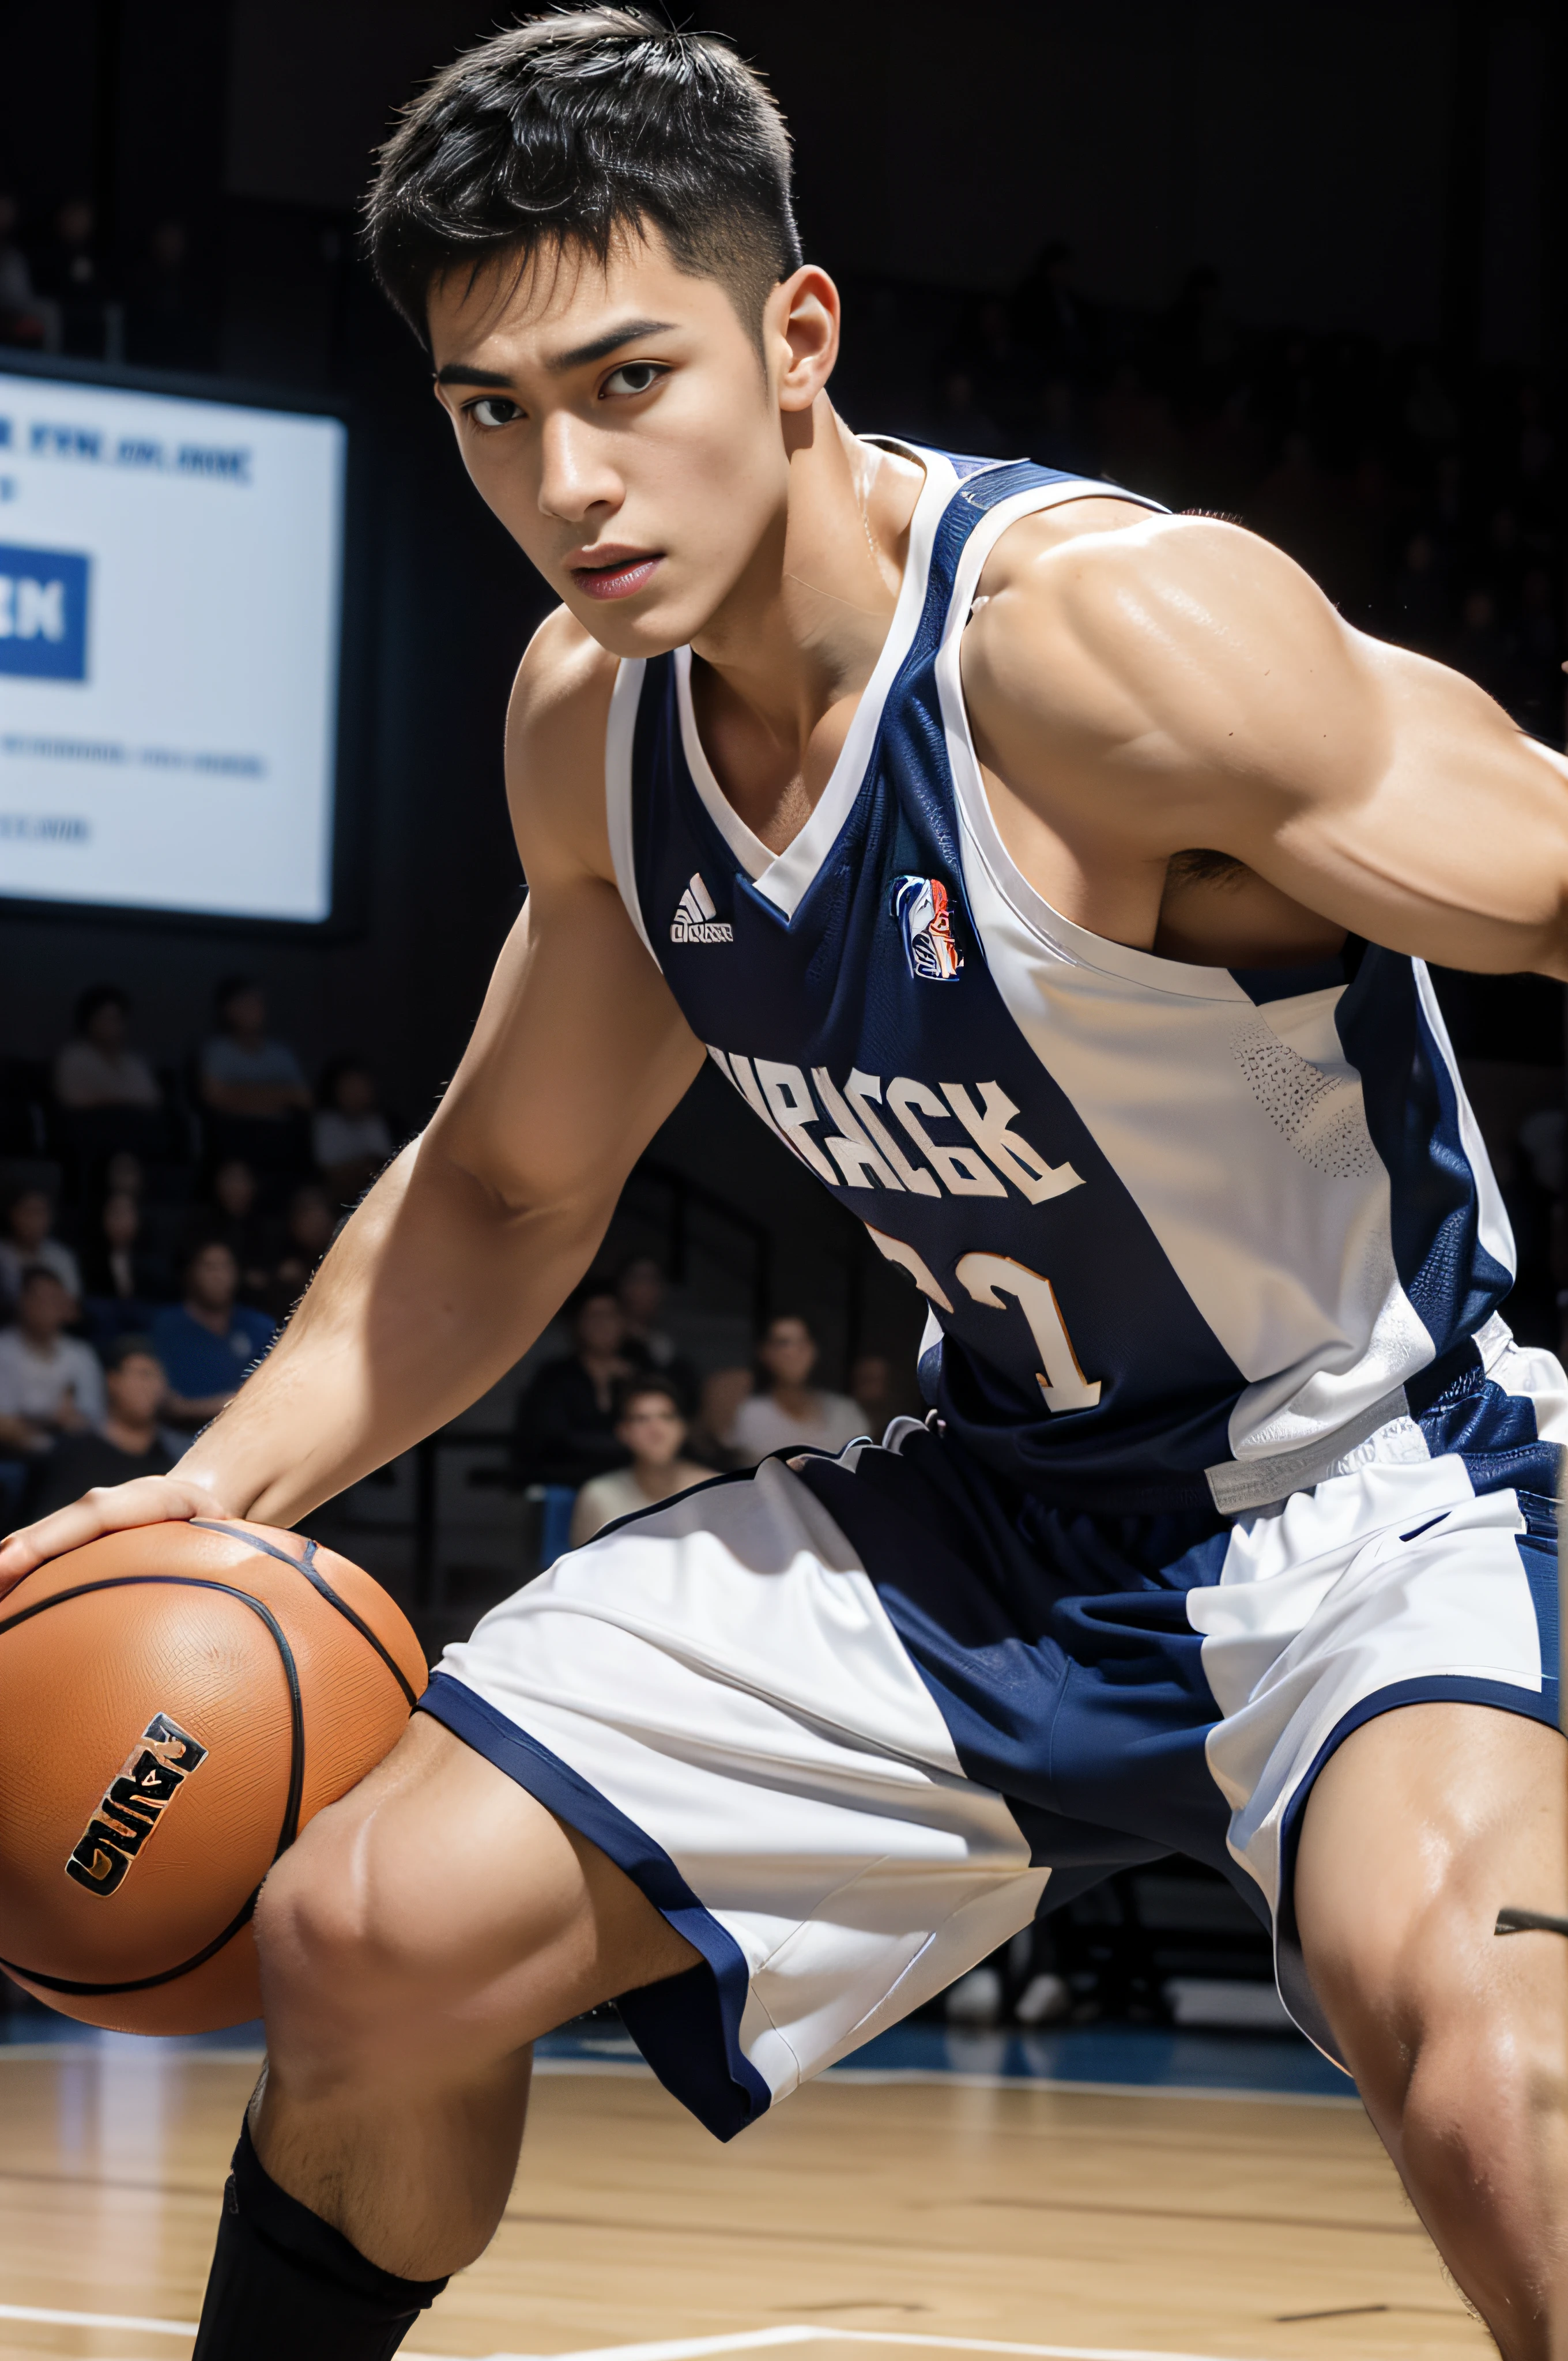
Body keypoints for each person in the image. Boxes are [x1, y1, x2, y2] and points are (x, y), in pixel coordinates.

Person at [9, 16, 1568, 2358]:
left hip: (1374, 1499)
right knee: (369, 1927)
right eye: (488, 413)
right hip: (994, 1514)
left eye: (626, 378)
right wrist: (211, 1495)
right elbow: (509, 1195)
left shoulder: (1108, 645)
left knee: (1493, 2068)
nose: (563, 475)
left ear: (796, 335)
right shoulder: (594, 722)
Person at [26, 1334, 172, 1516]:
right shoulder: (75, 1455)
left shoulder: (171, 1461)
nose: (149, 1386)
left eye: (156, 1376)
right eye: (141, 1375)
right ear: (113, 1381)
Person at [510, 1281, 634, 1491]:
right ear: (577, 1323)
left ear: (623, 1322)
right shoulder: (555, 1375)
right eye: (594, 1317)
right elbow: (551, 1439)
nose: (603, 1325)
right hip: (563, 1486)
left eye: (610, 1316)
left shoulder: (640, 1375)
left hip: (630, 1487)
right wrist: (624, 1440)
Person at [568, 1375, 713, 1545]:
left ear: (683, 1427)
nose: (656, 1430)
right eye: (642, 1419)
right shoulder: (599, 1496)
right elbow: (582, 1567)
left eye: (667, 1417)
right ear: (623, 1432)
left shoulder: (716, 1489)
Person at [150, 1240, 276, 1431]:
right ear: (190, 1274)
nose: (219, 1276)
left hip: (254, 1432)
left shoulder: (260, 1326)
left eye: (226, 1267)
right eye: (210, 1267)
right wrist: (221, 1405)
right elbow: (163, 1402)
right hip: (184, 1436)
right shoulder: (167, 1326)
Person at [725, 1313, 866, 1461]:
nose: (793, 1353)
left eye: (803, 1343)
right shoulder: (748, 1415)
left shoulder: (846, 1413)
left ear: (814, 1350)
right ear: (765, 1352)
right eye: (783, 1343)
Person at [0, 1266, 104, 1455]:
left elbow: (92, 1418)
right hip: (14, 1455)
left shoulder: (82, 1354)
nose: (46, 1307)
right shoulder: (3, 1350)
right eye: (38, 1299)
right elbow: (5, 1424)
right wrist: (52, 1421)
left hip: (72, 1452)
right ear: (23, 1302)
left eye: (54, 1299)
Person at [198, 979, 311, 1123]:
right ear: (228, 1009)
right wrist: (279, 1095)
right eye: (245, 1004)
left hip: (280, 1132)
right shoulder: (217, 1051)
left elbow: (303, 1098)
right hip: (233, 1132)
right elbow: (215, 1097)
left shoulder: (282, 1053)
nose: (253, 1010)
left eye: (257, 1003)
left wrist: (242, 1094)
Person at [52, 983, 162, 1110]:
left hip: (137, 1125)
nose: (112, 1027)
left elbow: (151, 1097)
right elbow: (75, 1098)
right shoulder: (74, 1057)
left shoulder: (135, 1062)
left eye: (117, 1019)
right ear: (89, 1021)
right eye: (105, 1019)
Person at [614, 1253, 698, 1405]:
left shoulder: (665, 1343)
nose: (646, 1288)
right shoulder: (609, 1340)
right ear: (622, 1285)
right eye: (638, 1279)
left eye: (653, 1280)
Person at [312, 1058, 394, 1200]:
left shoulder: (377, 1121)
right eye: (350, 1088)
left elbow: (383, 1165)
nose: (356, 1094)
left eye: (360, 1088)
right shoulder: (326, 1123)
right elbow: (330, 1172)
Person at [0, 1187, 81, 1313]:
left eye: (40, 1213)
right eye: (28, 1212)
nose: (34, 1221)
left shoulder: (62, 1255)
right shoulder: (3, 1254)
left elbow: (72, 1305)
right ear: (12, 1214)